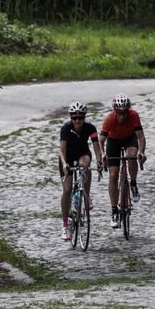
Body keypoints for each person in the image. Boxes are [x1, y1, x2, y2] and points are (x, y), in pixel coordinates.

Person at [98, 94, 145, 226]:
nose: (122, 116)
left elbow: (140, 137)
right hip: (113, 141)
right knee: (113, 175)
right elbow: (101, 141)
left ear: (128, 110)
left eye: (124, 113)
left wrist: (141, 152)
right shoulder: (109, 119)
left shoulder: (134, 115)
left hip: (130, 138)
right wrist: (102, 155)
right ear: (114, 110)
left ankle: (133, 184)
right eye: (119, 113)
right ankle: (114, 211)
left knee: (131, 155)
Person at [58, 103, 98, 241]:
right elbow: (61, 150)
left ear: (84, 117)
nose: (77, 121)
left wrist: (100, 162)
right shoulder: (65, 129)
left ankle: (86, 194)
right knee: (67, 189)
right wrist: (64, 164)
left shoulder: (90, 128)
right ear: (71, 118)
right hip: (67, 158)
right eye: (74, 118)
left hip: (82, 154)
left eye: (80, 118)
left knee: (84, 165)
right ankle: (65, 224)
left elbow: (96, 147)